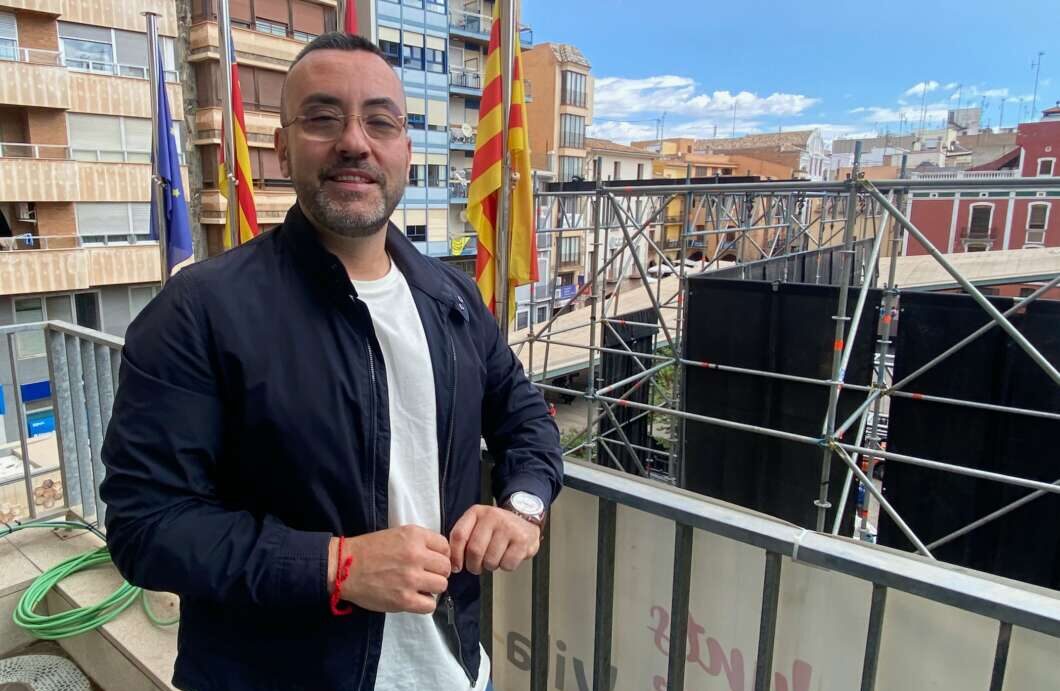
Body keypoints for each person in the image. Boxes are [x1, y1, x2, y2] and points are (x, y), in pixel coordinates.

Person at [100, 33, 563, 691]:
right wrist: (336, 566)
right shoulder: (199, 311)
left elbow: (526, 418)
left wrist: (522, 505)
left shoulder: (452, 299)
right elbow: (146, 528)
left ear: (406, 149)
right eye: (322, 118)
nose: (354, 142)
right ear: (282, 147)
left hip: (458, 673)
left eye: (380, 121)